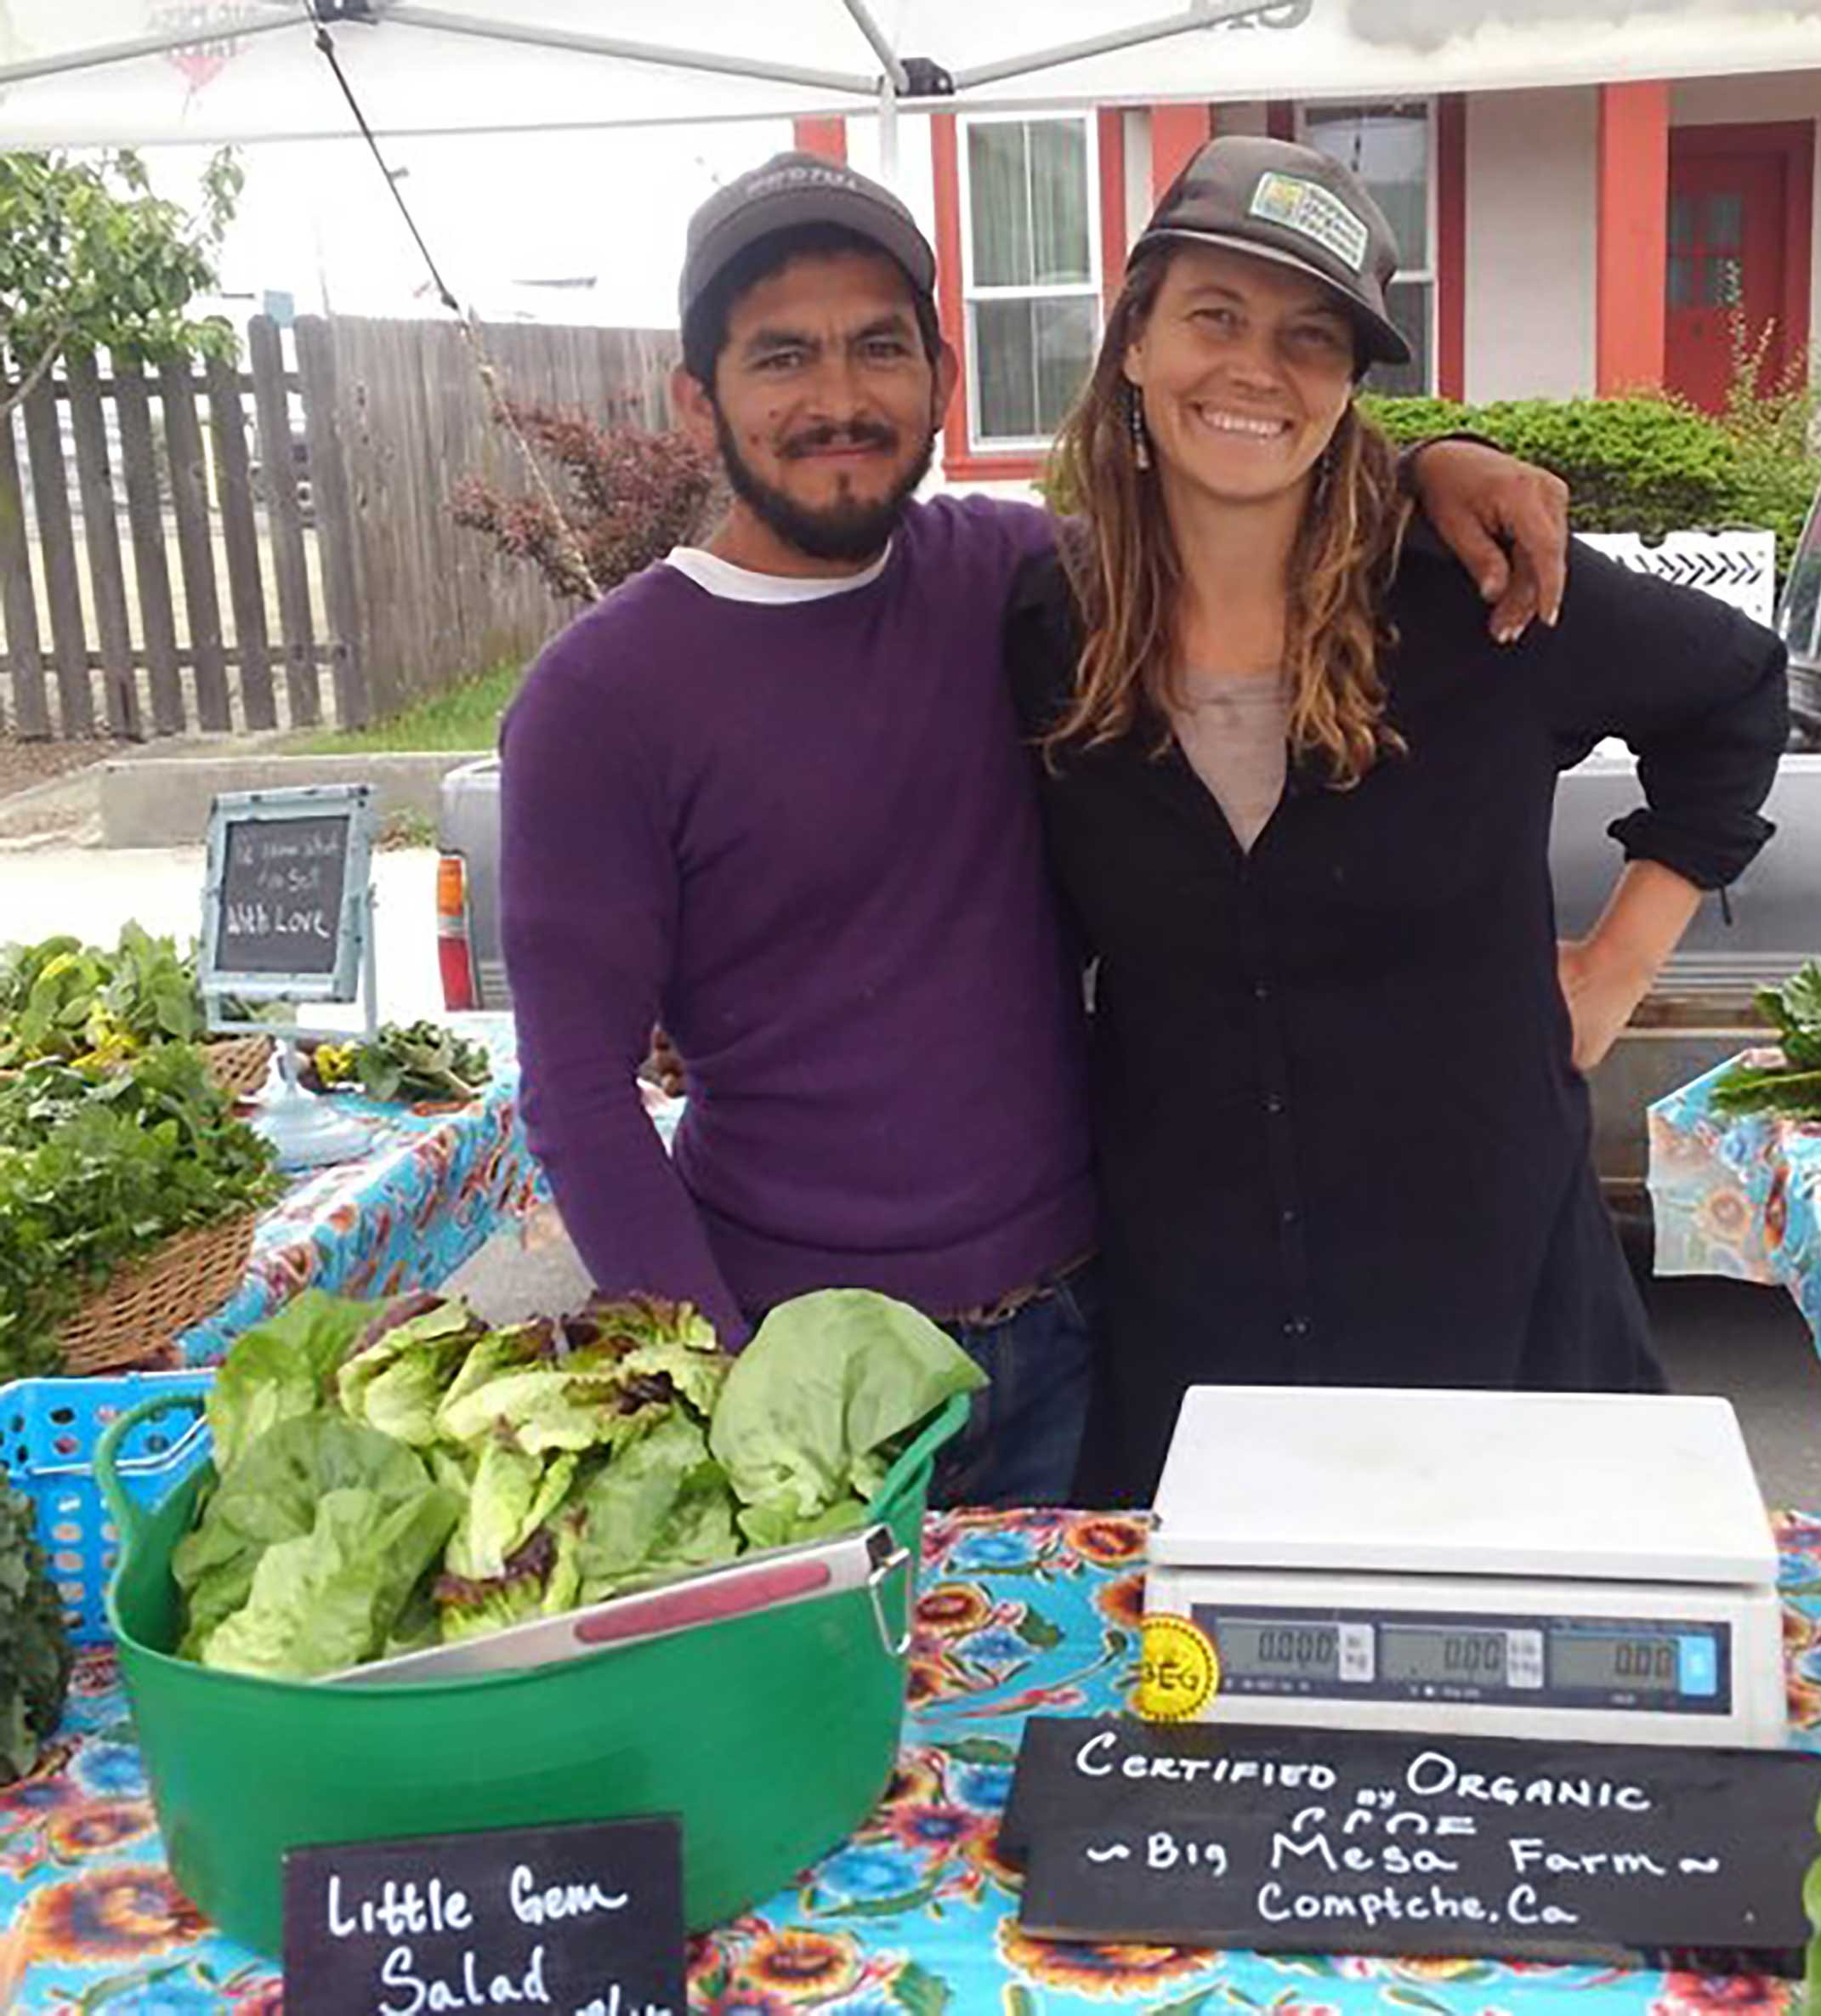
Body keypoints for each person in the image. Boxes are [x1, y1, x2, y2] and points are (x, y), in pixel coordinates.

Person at [498, 150, 1574, 1510]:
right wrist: (721, 1383)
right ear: (697, 400)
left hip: (1089, 1333)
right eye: (783, 359)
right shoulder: (601, 701)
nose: (838, 398)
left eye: (879, 348)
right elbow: (580, 1098)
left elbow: (1229, 485)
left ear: (942, 380)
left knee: (1079, 1712)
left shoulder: (1016, 581)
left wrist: (1423, 464)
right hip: (812, 1374)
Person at [1003, 137, 1791, 1507]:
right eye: (1214, 317)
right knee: (1218, 1709)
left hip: (1493, 1317)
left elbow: (1733, 691)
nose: (1257, 368)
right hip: (1195, 1336)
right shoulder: (1047, 630)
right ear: (1132, 340)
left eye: (1310, 338)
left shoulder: (1477, 589)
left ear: (1350, 388)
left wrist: (1617, 965)